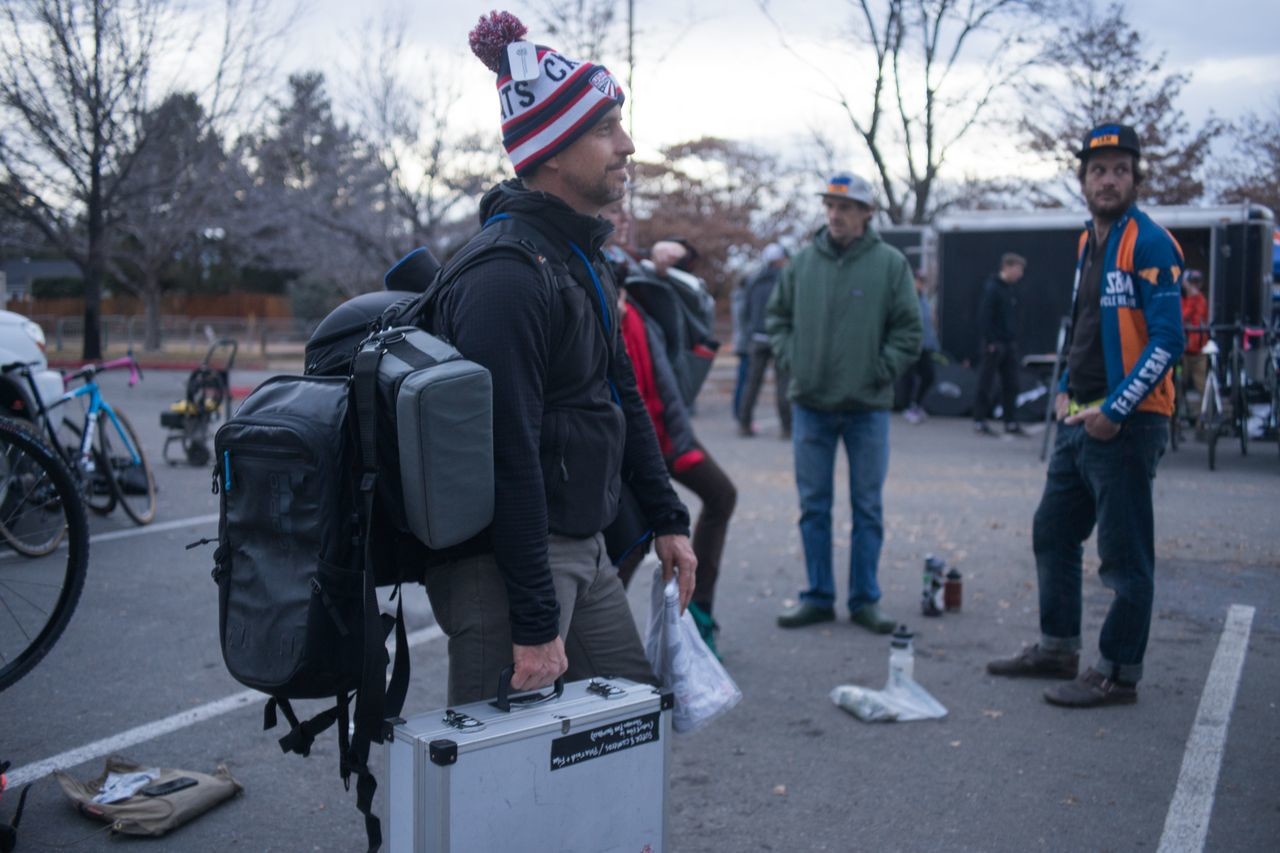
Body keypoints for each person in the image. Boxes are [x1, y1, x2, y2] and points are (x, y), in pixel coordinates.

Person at [424, 11, 697, 705]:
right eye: (606, 129)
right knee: (498, 772)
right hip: (503, 564)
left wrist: (667, 517)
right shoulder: (505, 276)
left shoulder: (579, 256)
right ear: (550, 150)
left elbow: (618, 393)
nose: (628, 145)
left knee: (627, 723)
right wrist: (536, 622)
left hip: (584, 542)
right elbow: (503, 451)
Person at [987, 123, 1184, 708]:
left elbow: (1169, 339)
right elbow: (1086, 327)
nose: (1108, 179)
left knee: (1125, 557)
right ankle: (1058, 646)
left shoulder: (1149, 243)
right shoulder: (1088, 241)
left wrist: (1116, 410)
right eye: (1098, 170)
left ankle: (1119, 672)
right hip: (1080, 416)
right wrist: (1068, 388)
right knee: (1053, 531)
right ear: (1083, 180)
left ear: (1134, 178)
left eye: (1120, 169)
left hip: (1127, 423)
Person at [767, 172, 922, 633]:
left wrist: (878, 370)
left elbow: (910, 332)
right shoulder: (801, 264)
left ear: (866, 214)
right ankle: (817, 596)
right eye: (830, 206)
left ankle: (864, 600)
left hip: (866, 408)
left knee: (867, 507)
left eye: (846, 207)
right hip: (811, 405)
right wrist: (793, 357)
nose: (834, 214)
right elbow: (776, 318)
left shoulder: (890, 264)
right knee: (814, 506)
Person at [613, 255, 738, 659]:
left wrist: (677, 246)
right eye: (618, 217)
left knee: (721, 494)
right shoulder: (592, 300)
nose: (624, 220)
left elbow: (687, 290)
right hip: (630, 448)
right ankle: (598, 638)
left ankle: (699, 611)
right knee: (638, 537)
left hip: (669, 435)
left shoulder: (638, 296)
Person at [737, 243, 791, 438]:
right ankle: (787, 428)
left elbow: (745, 310)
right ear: (780, 259)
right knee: (783, 384)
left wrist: (750, 330)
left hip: (756, 338)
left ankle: (744, 423)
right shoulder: (785, 278)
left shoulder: (754, 280)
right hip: (780, 338)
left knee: (752, 384)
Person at [973, 253, 1028, 435]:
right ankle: (979, 420)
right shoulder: (992, 288)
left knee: (1011, 384)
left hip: (1009, 344)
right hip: (995, 345)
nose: (1020, 274)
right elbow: (984, 317)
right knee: (986, 383)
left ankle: (1010, 421)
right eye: (1018, 269)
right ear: (1007, 267)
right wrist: (990, 341)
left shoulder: (1010, 289)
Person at [902, 269, 938, 424]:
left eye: (923, 281)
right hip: (909, 344)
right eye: (919, 281)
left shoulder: (924, 299)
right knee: (908, 377)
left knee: (929, 376)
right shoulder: (905, 297)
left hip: (924, 345)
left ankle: (916, 404)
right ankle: (908, 407)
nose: (921, 284)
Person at [1180, 269, 1209, 399]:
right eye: (1192, 283)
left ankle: (1202, 417)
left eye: (1197, 283)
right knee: (1178, 383)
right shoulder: (1181, 299)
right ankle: (1178, 416)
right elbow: (1182, 317)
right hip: (1182, 351)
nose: (1195, 286)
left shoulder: (1200, 300)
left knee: (1201, 385)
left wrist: (1193, 297)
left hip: (1198, 351)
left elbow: (1195, 317)